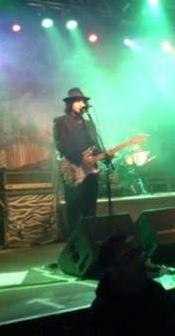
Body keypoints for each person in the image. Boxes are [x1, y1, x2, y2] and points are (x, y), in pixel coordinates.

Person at [88, 233, 175, 335]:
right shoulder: (104, 314)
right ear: (114, 272)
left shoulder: (153, 290)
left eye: (137, 253)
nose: (139, 260)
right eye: (130, 258)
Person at [53, 88, 104, 238]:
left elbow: (95, 144)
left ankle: (90, 239)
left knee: (90, 207)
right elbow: (60, 144)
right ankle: (74, 242)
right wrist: (80, 158)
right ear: (70, 104)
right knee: (74, 208)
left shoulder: (89, 124)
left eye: (83, 101)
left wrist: (105, 155)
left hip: (91, 170)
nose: (82, 104)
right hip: (73, 168)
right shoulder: (61, 122)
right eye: (78, 101)